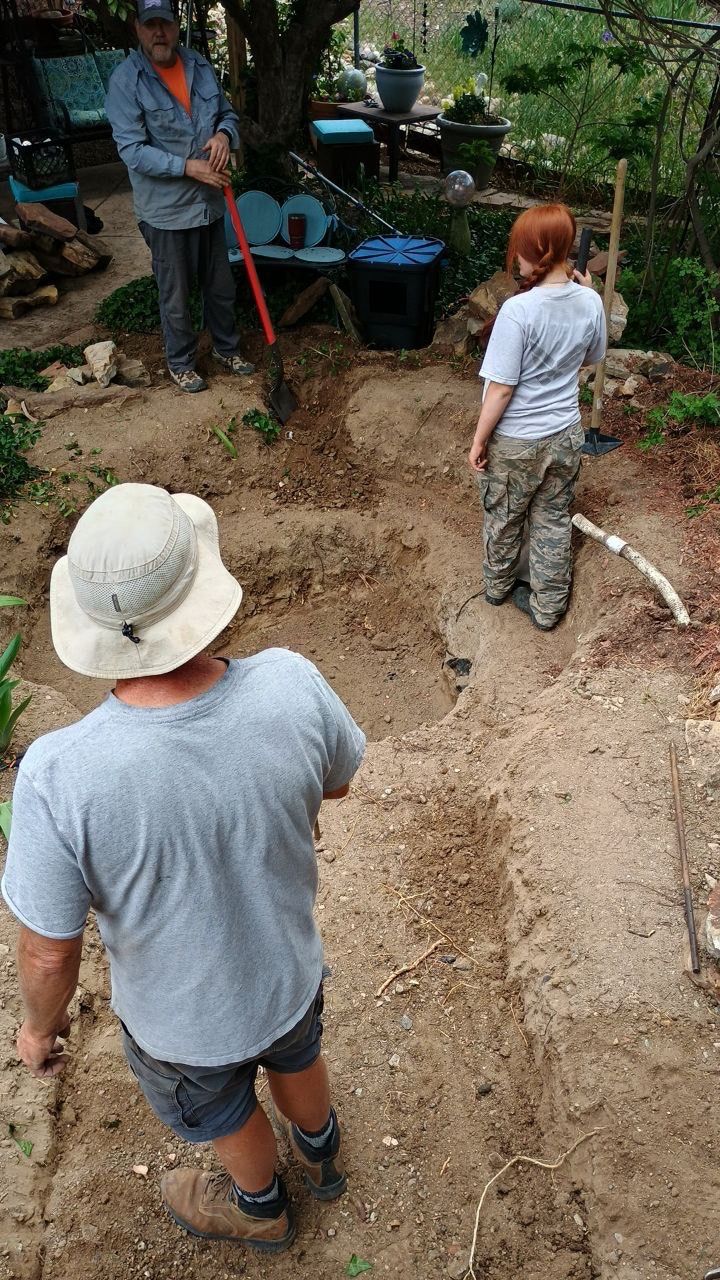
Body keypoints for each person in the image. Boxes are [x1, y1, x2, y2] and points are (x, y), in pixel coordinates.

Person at [2, 483, 366, 1252]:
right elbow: (337, 777)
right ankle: (322, 1147)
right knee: (296, 1050)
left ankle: (259, 1205)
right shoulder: (291, 683)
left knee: (226, 1107)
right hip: (288, 970)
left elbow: (48, 948)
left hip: (183, 1026)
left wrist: (40, 1027)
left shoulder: (60, 774)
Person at [468, 202, 607, 631]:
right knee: (552, 519)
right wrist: (584, 293)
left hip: (516, 440)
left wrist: (478, 439)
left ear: (539, 251)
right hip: (565, 432)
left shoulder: (519, 311)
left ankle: (497, 587)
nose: (518, 260)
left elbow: (503, 388)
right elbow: (593, 357)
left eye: (521, 251)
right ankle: (548, 609)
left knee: (505, 515)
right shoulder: (590, 302)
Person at [106, 1, 254, 394]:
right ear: (137, 27)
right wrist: (189, 166)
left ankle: (226, 348)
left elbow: (228, 114)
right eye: (151, 24)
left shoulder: (199, 66)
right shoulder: (126, 81)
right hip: (166, 210)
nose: (160, 33)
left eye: (166, 24)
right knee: (175, 293)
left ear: (175, 26)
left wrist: (224, 135)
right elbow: (132, 150)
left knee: (220, 285)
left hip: (209, 202)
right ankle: (182, 362)